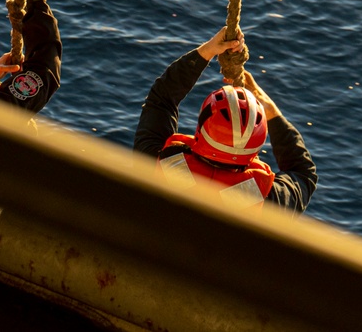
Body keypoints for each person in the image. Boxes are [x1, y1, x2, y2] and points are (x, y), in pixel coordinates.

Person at [133, 27, 316, 213]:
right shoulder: (270, 201)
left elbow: (162, 99)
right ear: (258, 142)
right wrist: (268, 108)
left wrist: (209, 50)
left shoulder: (155, 163)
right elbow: (303, 173)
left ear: (202, 128)